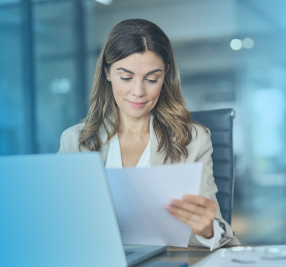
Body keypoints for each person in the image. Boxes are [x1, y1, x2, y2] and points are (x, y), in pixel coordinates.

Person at [58, 19, 240, 249]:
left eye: (151, 79)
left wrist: (205, 228)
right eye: (126, 77)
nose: (138, 92)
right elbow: (60, 225)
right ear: (107, 72)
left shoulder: (193, 140)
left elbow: (220, 235)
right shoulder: (74, 141)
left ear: (165, 75)